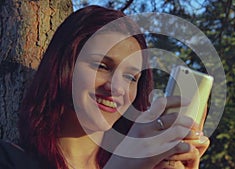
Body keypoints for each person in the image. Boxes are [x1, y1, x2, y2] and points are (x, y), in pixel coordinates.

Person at [13, 5, 209, 169]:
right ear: (63, 64)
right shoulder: (10, 160)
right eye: (102, 66)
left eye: (131, 77)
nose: (117, 88)